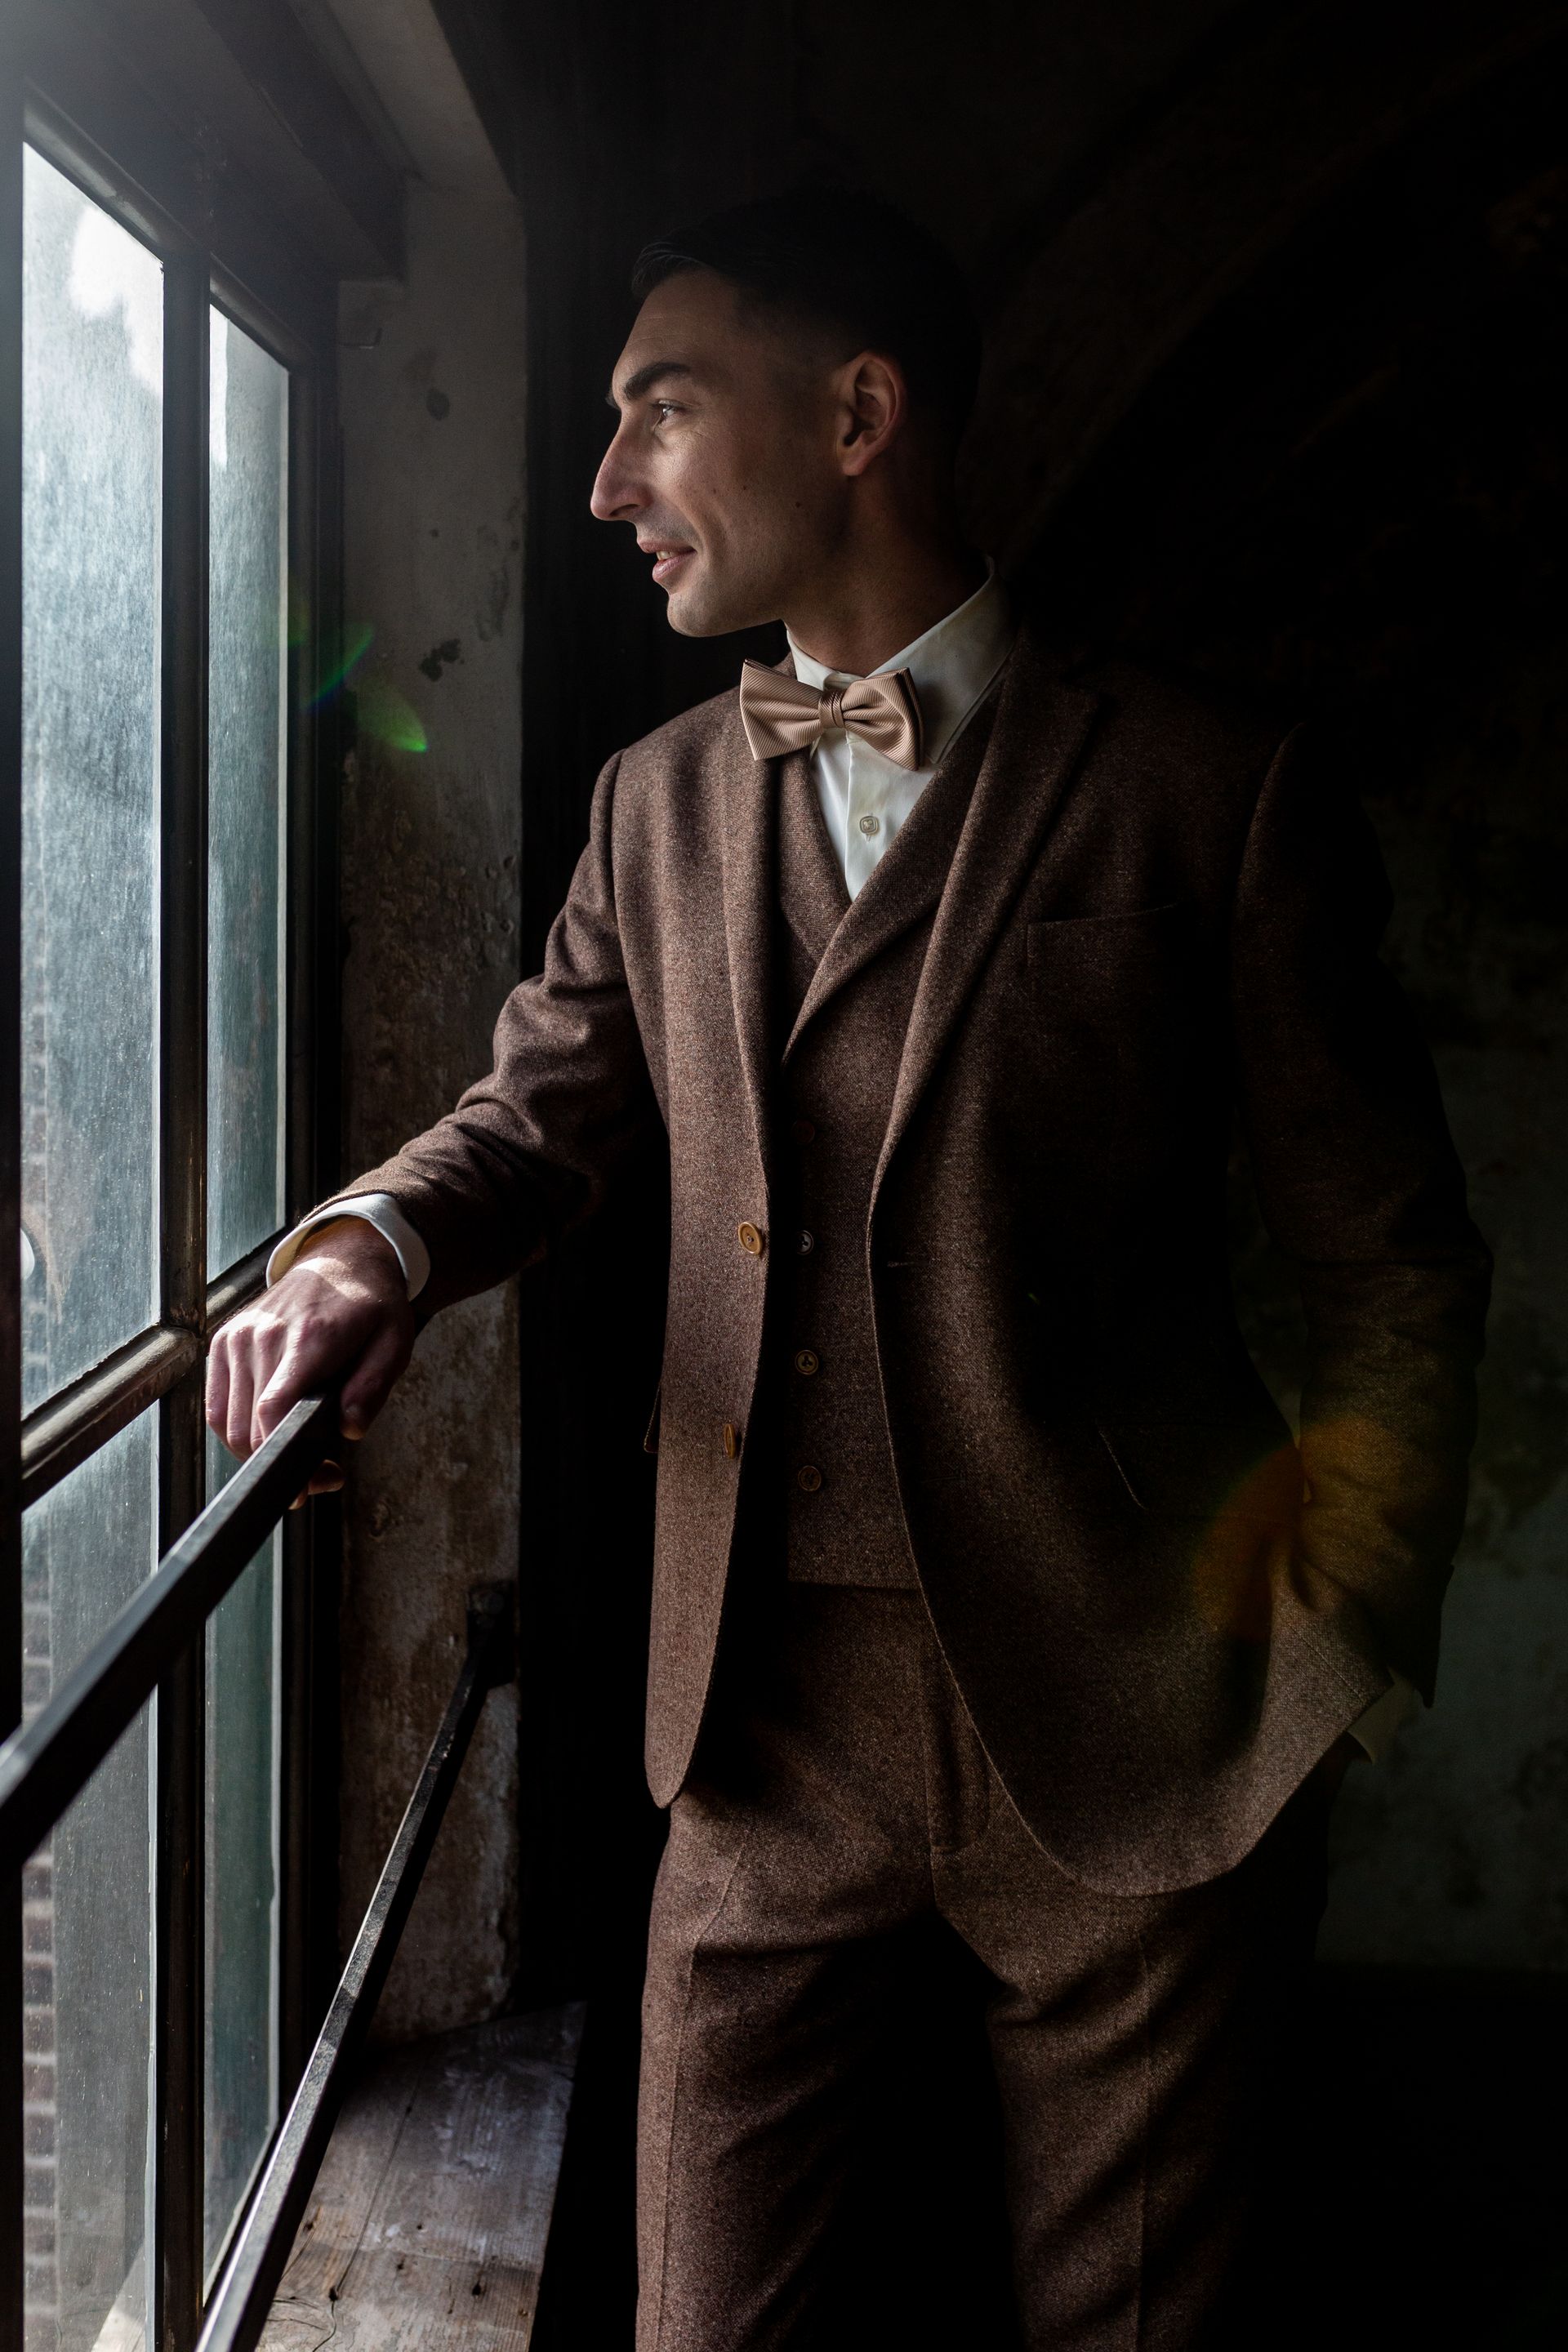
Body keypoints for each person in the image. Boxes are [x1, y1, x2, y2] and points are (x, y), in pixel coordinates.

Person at [207, 192, 1490, 2349]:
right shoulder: (655, 803)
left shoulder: (1210, 790)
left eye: (660, 412)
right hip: (761, 1724)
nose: (606, 485)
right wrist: (372, 1247)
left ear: (859, 415)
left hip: (1150, 1702)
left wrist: (1337, 1649)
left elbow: (1397, 1261)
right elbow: (532, 1117)